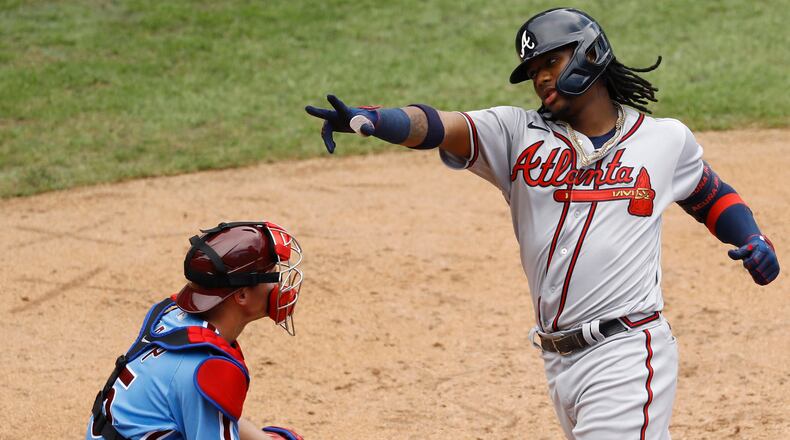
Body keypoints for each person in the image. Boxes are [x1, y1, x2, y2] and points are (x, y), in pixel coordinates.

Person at [305, 7, 779, 439]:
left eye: (551, 62)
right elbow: (436, 125)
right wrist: (373, 119)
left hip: (627, 353)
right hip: (558, 362)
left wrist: (751, 237)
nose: (541, 78)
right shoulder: (514, 134)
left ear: (591, 54)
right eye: (534, 71)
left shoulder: (664, 140)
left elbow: (710, 194)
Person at [87, 221, 305, 440]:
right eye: (272, 274)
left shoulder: (172, 316)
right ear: (242, 296)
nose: (280, 285)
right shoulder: (207, 369)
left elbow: (212, 410)